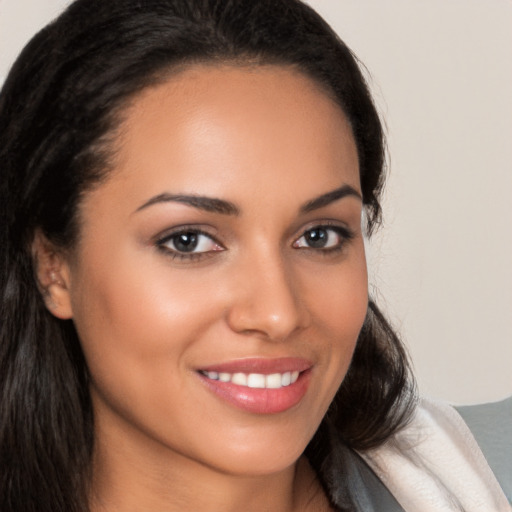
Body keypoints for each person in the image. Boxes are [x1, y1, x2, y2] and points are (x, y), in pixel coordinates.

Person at [0, 1, 509, 511]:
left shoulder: (487, 473)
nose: (278, 314)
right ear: (54, 268)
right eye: (189, 241)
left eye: (319, 236)